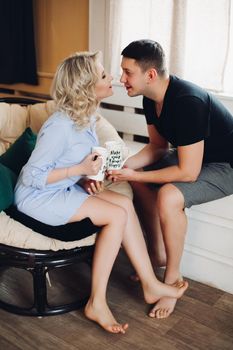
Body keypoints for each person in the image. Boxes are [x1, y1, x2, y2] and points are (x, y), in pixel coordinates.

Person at [14, 51, 188, 333]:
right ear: (85, 87)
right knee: (115, 216)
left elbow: (68, 165)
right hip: (38, 198)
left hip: (62, 188)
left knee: (124, 205)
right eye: (105, 76)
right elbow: (32, 176)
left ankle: (150, 284)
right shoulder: (59, 127)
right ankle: (97, 302)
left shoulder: (87, 117)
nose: (114, 80)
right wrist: (79, 170)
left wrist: (84, 179)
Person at [108, 39, 233, 319]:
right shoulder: (151, 98)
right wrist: (125, 167)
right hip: (194, 157)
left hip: (226, 165)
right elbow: (157, 147)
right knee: (136, 176)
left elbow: (188, 173)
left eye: (128, 72)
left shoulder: (188, 101)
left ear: (150, 75)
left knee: (169, 194)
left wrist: (133, 172)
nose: (121, 78)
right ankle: (157, 254)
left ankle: (172, 280)